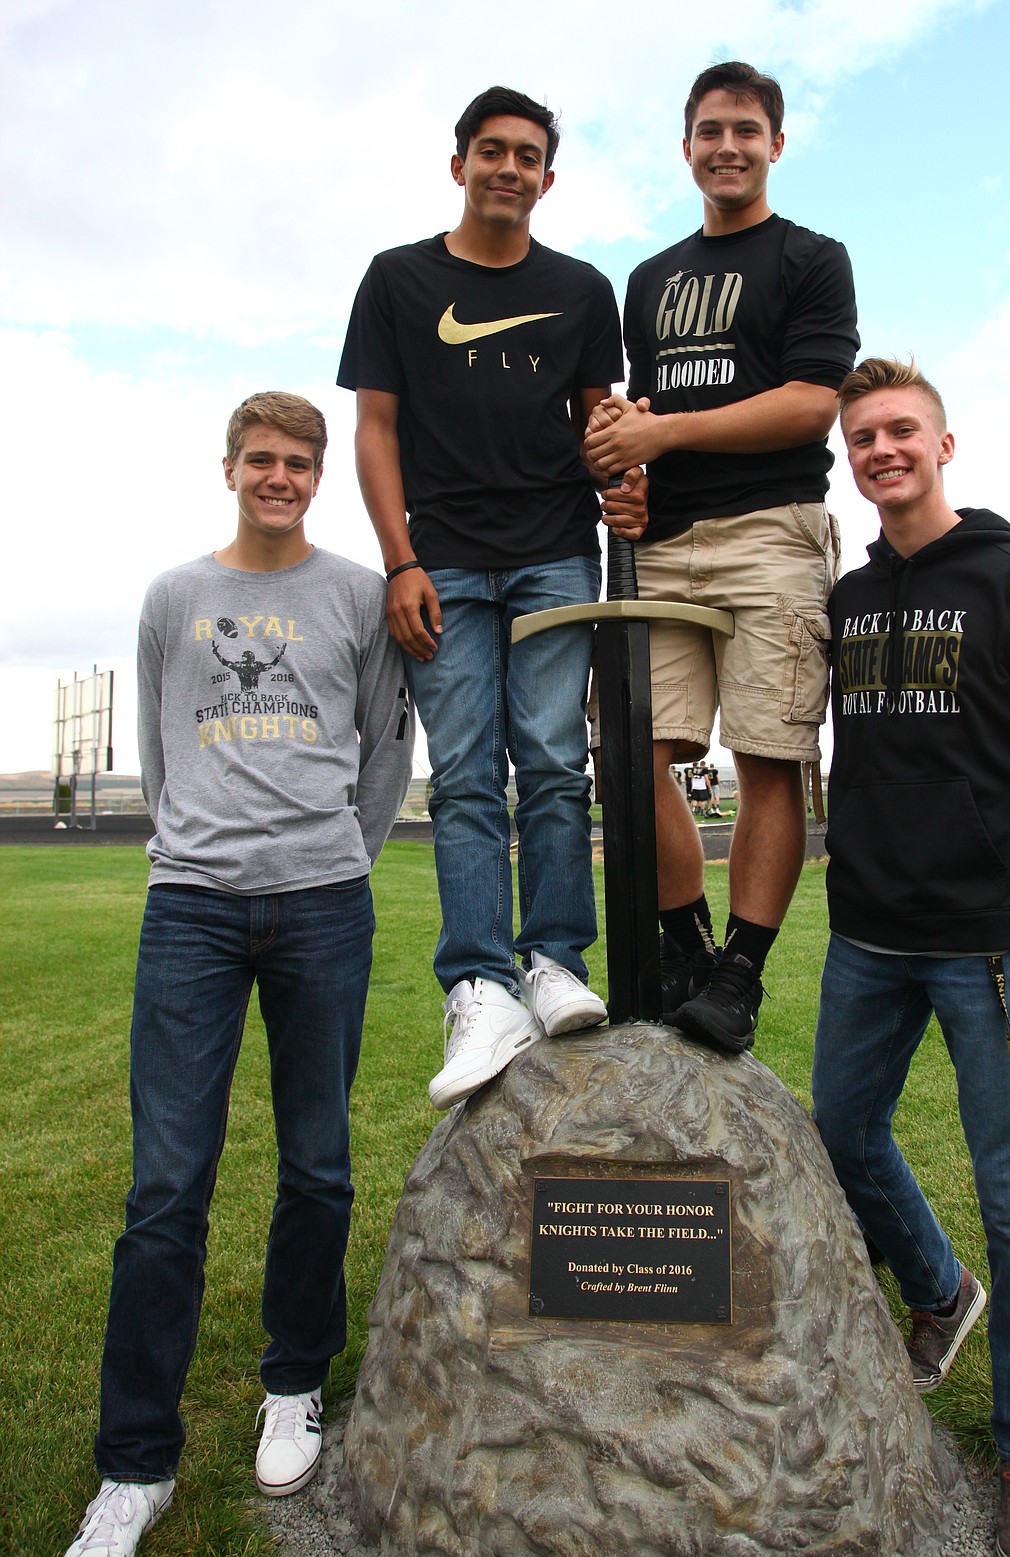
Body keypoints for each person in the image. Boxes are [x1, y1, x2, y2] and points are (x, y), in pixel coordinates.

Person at [64, 393, 414, 1557]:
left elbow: (383, 740)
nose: (279, 478)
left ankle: (293, 1385)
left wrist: (342, 856)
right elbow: (164, 750)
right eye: (260, 460)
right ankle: (135, 1465)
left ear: (318, 475)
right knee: (166, 1186)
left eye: (299, 463)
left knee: (317, 1165)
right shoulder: (177, 597)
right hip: (193, 911)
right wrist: (195, 847)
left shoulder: (358, 595)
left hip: (323, 902)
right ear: (228, 469)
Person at [811, 357, 1010, 1557]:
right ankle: (939, 1292)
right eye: (864, 437)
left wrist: (1007, 878)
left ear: (944, 445)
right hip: (870, 937)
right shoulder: (850, 599)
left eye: (902, 432)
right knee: (840, 1132)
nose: (883, 449)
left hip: (988, 946)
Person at [338, 86, 645, 1112]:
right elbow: (375, 430)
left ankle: (553, 960)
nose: (509, 168)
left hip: (558, 552)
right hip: (445, 565)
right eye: (491, 151)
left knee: (555, 764)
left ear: (548, 179)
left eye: (528, 156)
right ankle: (477, 983)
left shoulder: (583, 289)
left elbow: (601, 426)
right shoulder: (397, 279)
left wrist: (628, 479)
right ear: (459, 163)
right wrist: (399, 560)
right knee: (468, 776)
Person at [585, 61, 858, 1054]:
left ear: (776, 144)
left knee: (769, 754)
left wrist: (666, 439)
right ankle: (688, 947)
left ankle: (741, 973)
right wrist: (629, 467)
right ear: (687, 146)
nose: (728, 147)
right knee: (629, 755)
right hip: (660, 549)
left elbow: (810, 402)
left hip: (771, 533)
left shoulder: (812, 259)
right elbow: (642, 418)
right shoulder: (650, 281)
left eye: (747, 129)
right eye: (710, 130)